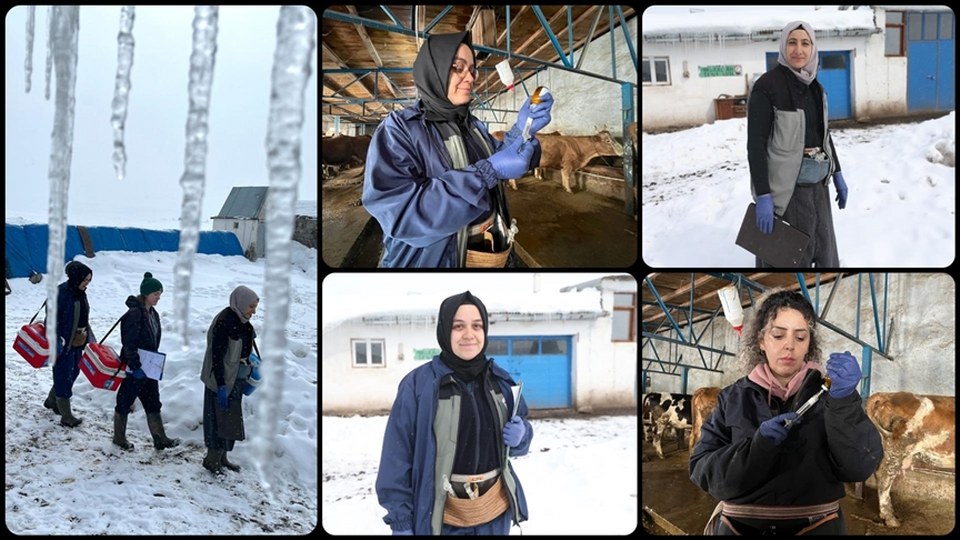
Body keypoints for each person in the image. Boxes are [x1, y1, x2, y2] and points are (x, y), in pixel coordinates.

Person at [690, 289, 883, 535]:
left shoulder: (832, 395)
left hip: (818, 527)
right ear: (761, 341)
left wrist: (844, 402)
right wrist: (757, 447)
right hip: (739, 528)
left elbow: (859, 467)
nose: (789, 345)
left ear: (809, 344)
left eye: (800, 337)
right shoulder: (732, 398)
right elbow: (702, 471)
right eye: (778, 335)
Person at [362, 31, 554, 268]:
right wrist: (486, 173)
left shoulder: (472, 126)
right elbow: (402, 215)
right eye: (457, 67)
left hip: (487, 254)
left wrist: (523, 129)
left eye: (472, 69)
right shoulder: (399, 130)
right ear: (433, 71)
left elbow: (501, 157)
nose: (470, 77)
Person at [376, 291, 532, 535]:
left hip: (494, 514)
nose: (469, 334)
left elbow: (520, 433)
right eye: (458, 326)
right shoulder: (419, 386)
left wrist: (522, 436)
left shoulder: (500, 382)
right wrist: (401, 521)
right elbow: (396, 456)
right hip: (442, 518)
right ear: (444, 330)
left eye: (477, 326)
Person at [747, 21, 848, 267]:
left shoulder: (816, 88)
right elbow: (755, 145)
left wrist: (837, 173)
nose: (798, 50)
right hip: (787, 194)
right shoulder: (767, 87)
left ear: (813, 48)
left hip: (818, 192)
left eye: (805, 43)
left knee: (824, 256)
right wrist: (763, 195)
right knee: (785, 262)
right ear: (783, 46)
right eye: (792, 42)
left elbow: (824, 135)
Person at [112, 272, 180, 451]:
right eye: (156, 294)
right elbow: (129, 343)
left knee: (153, 401)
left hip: (150, 366)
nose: (159, 297)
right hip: (135, 367)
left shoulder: (152, 313)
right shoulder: (135, 314)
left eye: (160, 294)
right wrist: (135, 365)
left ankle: (160, 438)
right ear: (146, 294)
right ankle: (119, 438)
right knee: (124, 401)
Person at [200, 285, 260, 474]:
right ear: (240, 303)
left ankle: (223, 457)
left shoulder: (244, 323)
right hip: (221, 381)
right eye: (251, 306)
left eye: (255, 306)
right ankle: (212, 460)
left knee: (230, 421)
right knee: (216, 421)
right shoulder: (224, 323)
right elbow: (216, 357)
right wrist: (221, 386)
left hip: (237, 379)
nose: (254, 311)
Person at [43, 261, 95, 427]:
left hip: (78, 341)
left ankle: (52, 400)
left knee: (74, 372)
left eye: (89, 280)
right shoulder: (61, 293)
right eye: (85, 280)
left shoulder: (80, 293)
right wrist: (59, 340)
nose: (87, 284)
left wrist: (89, 337)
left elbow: (83, 317)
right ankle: (66, 416)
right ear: (76, 278)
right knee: (63, 375)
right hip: (63, 343)